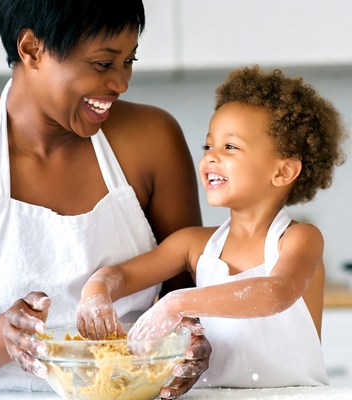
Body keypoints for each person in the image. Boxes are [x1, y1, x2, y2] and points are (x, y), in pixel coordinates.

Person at [0, 0, 211, 396]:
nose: (122, 83)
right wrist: (3, 336)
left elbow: (186, 294)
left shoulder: (154, 139)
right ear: (31, 49)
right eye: (104, 64)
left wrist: (191, 338)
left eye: (129, 61)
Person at [77, 66, 347, 389]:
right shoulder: (193, 245)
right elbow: (124, 275)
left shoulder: (300, 239)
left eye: (229, 147)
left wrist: (177, 302)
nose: (211, 158)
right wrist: (97, 290)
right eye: (208, 146)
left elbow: (276, 293)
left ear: (284, 171)